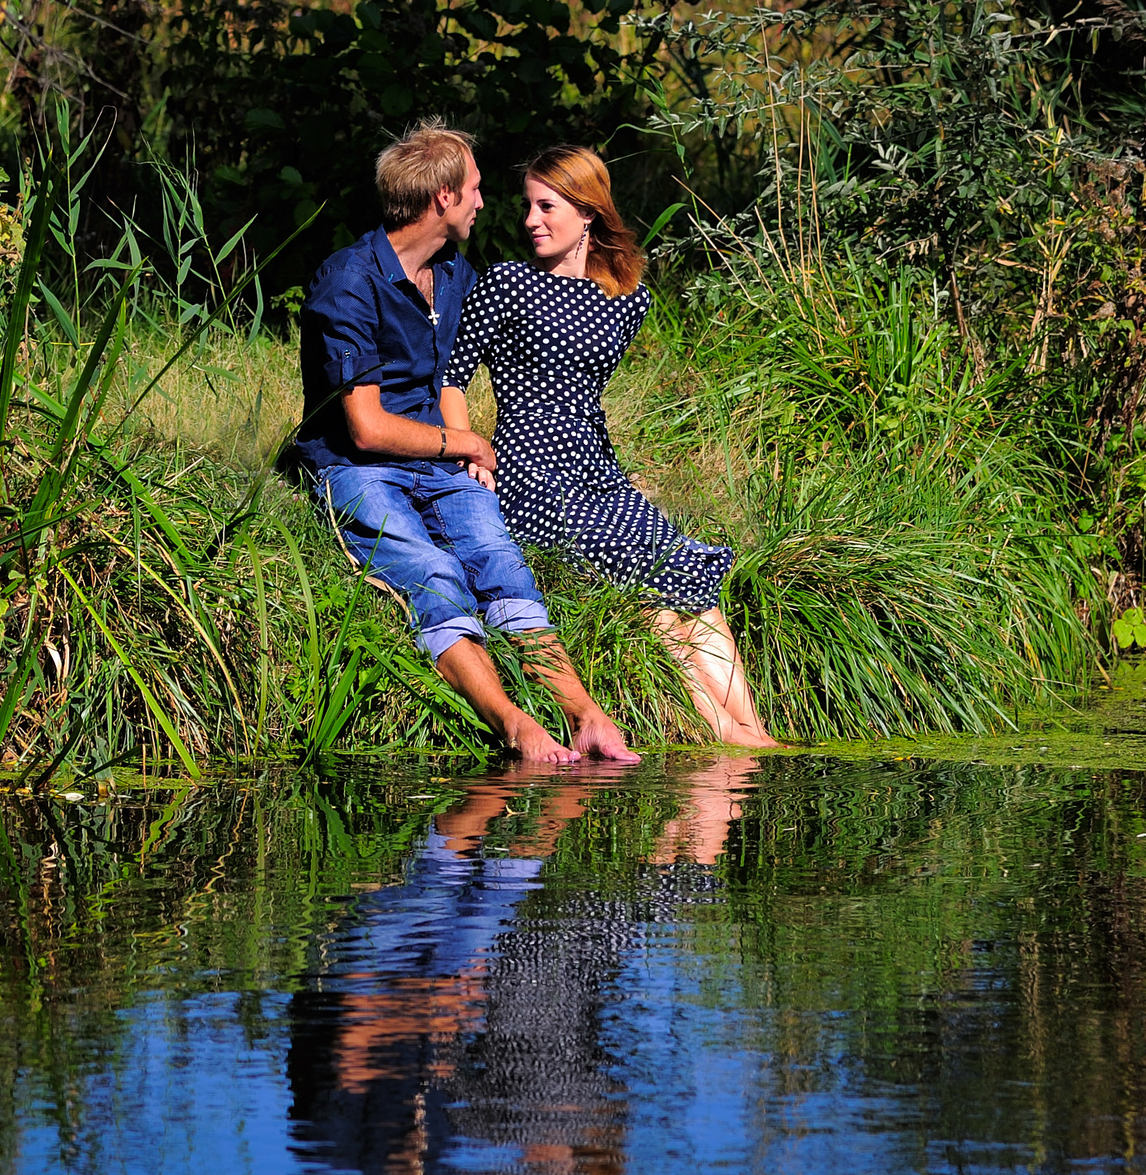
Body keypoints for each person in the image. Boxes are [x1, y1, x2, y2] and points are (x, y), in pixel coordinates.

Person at [290, 119, 640, 765]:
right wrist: (467, 442)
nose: (485, 202)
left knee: (500, 563)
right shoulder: (348, 282)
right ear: (444, 198)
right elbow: (366, 426)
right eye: (475, 188)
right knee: (434, 572)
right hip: (359, 465)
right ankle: (512, 723)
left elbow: (471, 369)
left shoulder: (454, 275)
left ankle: (586, 714)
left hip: (439, 462)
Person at [441, 146, 780, 748]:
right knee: (645, 573)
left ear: (589, 213)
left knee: (680, 564)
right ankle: (732, 746)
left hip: (597, 467)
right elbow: (452, 377)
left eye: (547, 206)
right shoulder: (508, 283)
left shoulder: (629, 300)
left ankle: (750, 736)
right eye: (527, 206)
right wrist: (471, 452)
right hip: (530, 467)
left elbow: (585, 394)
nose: (530, 220)